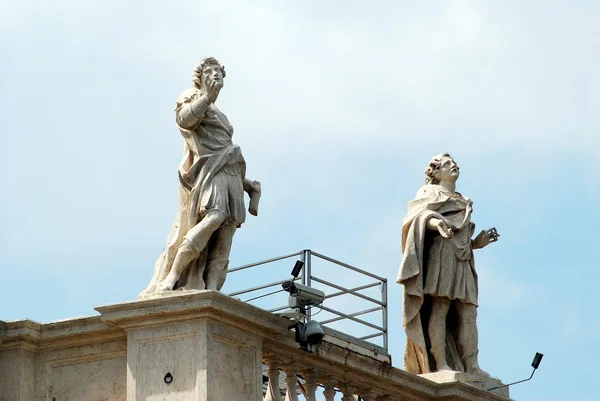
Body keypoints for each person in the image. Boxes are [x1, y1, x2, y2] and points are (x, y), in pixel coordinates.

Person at [139, 57, 261, 297]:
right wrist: (206, 97)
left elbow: (224, 145)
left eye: (218, 70)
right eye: (210, 70)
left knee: (227, 229)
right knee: (215, 217)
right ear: (201, 76)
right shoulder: (192, 96)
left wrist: (245, 184)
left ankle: (213, 287)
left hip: (231, 170)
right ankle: (173, 276)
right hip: (210, 171)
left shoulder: (221, 114)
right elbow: (185, 120)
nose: (216, 73)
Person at [396, 153, 499, 376]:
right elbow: (418, 217)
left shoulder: (462, 199)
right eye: (447, 164)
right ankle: (440, 362)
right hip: (441, 254)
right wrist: (436, 223)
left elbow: (461, 235)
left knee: (468, 311)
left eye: (454, 163)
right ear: (436, 172)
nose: (454, 166)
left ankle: (472, 365)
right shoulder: (429, 192)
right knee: (441, 306)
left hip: (463, 259)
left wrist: (476, 243)